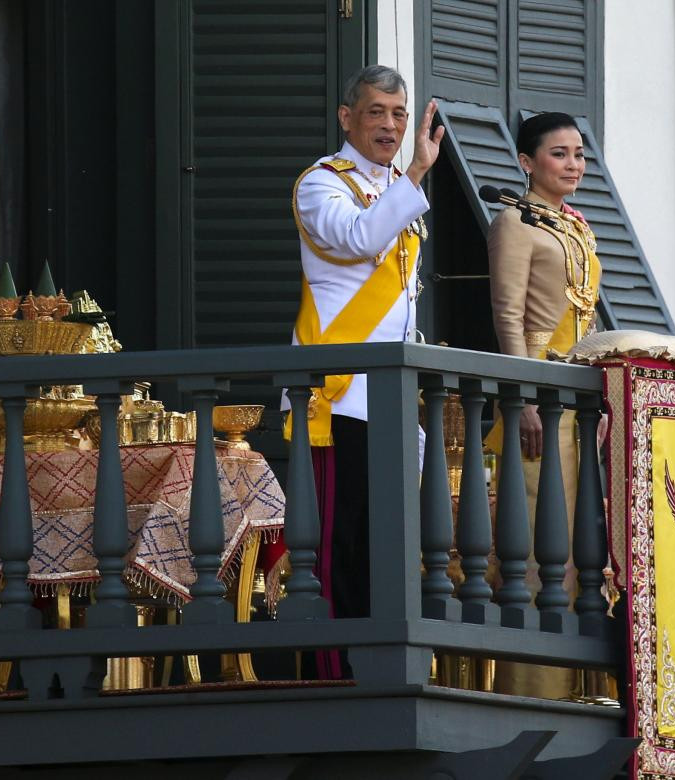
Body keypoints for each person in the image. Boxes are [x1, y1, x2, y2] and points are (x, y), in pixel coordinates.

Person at [282, 65, 443, 679]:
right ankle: (336, 673)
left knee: (385, 549)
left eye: (399, 114)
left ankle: (383, 667)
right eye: (376, 111)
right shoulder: (321, 184)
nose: (390, 125)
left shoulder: (397, 186)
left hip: (391, 398)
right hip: (340, 393)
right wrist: (419, 173)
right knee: (339, 547)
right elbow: (355, 239)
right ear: (347, 117)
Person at [485, 111, 602, 699]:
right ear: (528, 163)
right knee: (535, 546)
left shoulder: (576, 226)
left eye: (579, 154)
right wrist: (523, 395)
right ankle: (533, 689)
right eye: (560, 154)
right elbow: (508, 317)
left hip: (579, 402)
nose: (574, 165)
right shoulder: (514, 223)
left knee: (584, 548)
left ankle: (583, 682)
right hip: (537, 400)